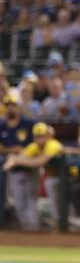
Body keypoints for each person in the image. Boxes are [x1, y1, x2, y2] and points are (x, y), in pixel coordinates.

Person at [3, 122, 64, 228]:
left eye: (42, 136)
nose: (40, 139)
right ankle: (56, 225)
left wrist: (16, 161)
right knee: (50, 190)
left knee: (58, 199)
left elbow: (39, 162)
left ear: (47, 135)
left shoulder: (53, 144)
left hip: (70, 177)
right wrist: (14, 159)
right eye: (37, 136)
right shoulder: (35, 146)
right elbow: (22, 156)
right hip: (54, 178)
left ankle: (63, 226)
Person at [0, 95, 37, 229]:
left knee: (31, 199)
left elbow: (37, 144)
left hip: (29, 165)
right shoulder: (2, 126)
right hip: (12, 168)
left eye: (13, 105)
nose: (11, 108)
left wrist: (23, 151)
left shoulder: (28, 125)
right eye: (8, 105)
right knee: (18, 201)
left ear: (18, 107)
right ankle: (26, 229)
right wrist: (11, 149)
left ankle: (34, 228)